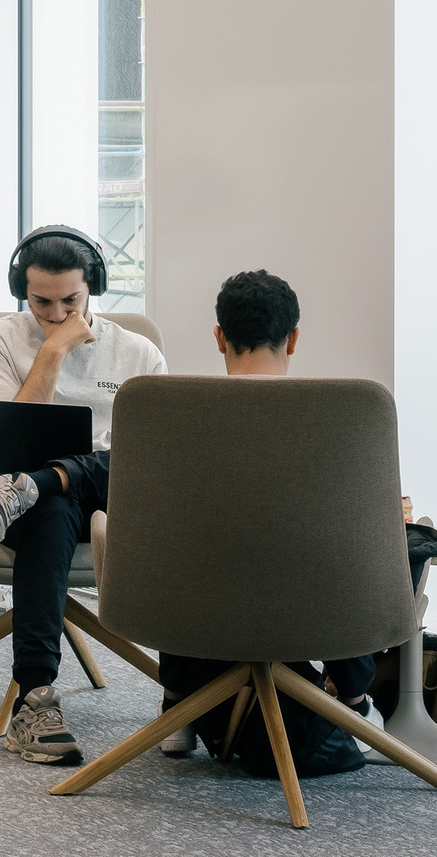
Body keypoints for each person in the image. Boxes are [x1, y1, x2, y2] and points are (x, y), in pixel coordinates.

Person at [0, 225, 165, 764]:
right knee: (49, 504)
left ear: (92, 285)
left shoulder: (138, 352)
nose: (55, 313)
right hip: (17, 498)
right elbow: (8, 443)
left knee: (107, 467)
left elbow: (156, 455)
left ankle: (40, 484)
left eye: (70, 300)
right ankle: (36, 699)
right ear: (21, 291)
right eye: (41, 302)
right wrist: (52, 352)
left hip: (114, 494)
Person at [154, 269, 404, 780]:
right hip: (307, 607)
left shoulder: (174, 413)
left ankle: (175, 702)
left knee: (179, 536)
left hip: (201, 608)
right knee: (352, 541)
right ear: (293, 337)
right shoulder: (342, 413)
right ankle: (353, 699)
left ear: (219, 336)